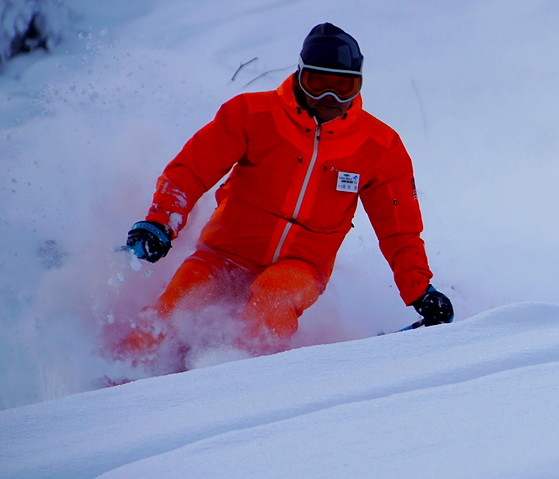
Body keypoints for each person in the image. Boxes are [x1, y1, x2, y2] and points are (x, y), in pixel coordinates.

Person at [119, 22, 454, 367]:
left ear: (358, 87)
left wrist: (420, 291)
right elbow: (191, 170)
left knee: (274, 298)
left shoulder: (379, 145)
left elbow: (399, 230)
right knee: (172, 312)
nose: (329, 99)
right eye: (318, 84)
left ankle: (245, 387)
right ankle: (116, 380)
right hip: (222, 256)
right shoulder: (252, 114)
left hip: (301, 267)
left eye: (343, 87)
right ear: (300, 75)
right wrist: (159, 222)